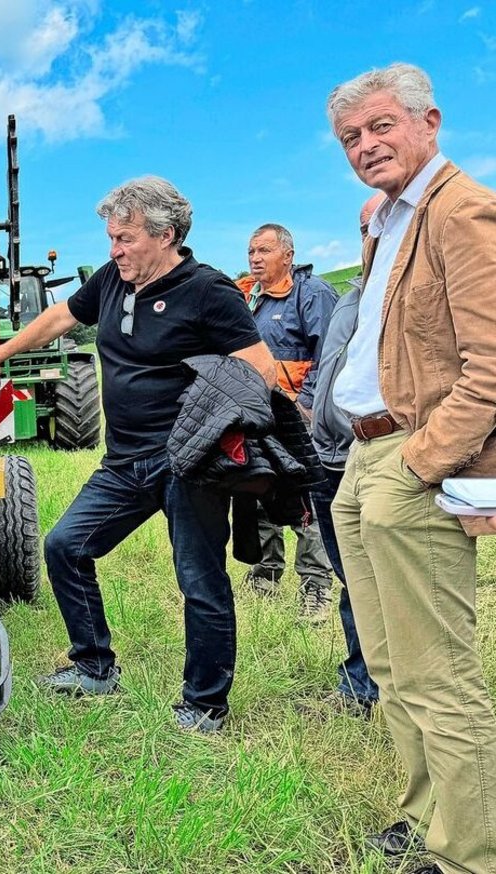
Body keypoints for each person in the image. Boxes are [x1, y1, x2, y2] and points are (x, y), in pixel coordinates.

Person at [0, 176, 275, 733]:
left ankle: (205, 704)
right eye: (111, 237)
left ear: (166, 235)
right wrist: (1, 352)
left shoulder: (209, 290)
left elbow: (260, 370)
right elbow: (61, 317)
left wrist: (215, 425)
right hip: (124, 461)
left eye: (126, 238)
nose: (114, 250)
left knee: (199, 579)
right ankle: (94, 667)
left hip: (188, 462)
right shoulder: (112, 280)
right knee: (65, 546)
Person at [327, 63, 496, 874]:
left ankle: (470, 854)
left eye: (382, 127)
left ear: (430, 121)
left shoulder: (462, 210)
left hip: (410, 456)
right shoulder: (389, 219)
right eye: (353, 138)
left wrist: (427, 464)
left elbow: (490, 368)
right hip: (362, 456)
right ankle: (426, 817)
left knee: (440, 676)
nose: (367, 146)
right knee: (392, 665)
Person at [235, 224, 339, 619]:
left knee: (304, 499)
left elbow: (330, 353)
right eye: (251, 252)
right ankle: (265, 574)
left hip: (298, 418)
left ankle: (316, 585)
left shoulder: (312, 295)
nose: (255, 258)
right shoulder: (250, 297)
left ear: (288, 255)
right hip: (257, 414)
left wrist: (308, 404)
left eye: (264, 250)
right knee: (261, 490)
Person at [308, 196, 386, 716]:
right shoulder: (351, 295)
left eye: (384, 223)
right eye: (365, 227)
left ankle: (374, 688)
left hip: (375, 454)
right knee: (354, 578)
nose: (373, 238)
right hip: (329, 459)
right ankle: (363, 684)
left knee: (380, 579)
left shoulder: (412, 295)